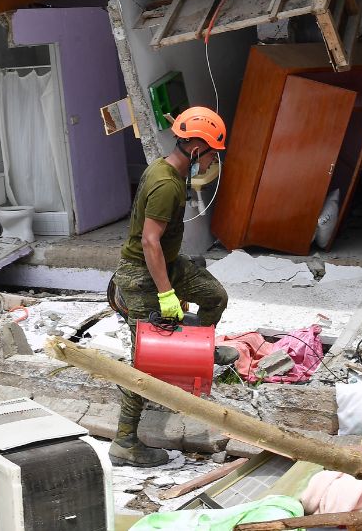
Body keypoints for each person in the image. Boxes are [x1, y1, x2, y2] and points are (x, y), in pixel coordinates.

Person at [108, 106, 237, 467]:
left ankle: (199, 349)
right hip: (141, 276)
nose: (213, 161)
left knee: (214, 296)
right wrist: (166, 294)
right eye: (212, 154)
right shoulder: (166, 184)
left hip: (165, 263)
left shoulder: (173, 172)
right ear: (196, 149)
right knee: (145, 362)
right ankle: (125, 442)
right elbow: (150, 241)